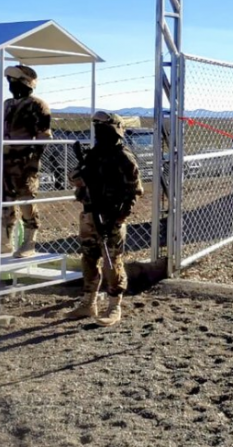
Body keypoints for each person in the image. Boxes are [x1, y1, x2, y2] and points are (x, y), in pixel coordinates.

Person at [65, 112, 144, 327]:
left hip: (111, 217)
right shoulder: (93, 154)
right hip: (89, 214)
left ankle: (114, 306)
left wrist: (119, 217)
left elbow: (134, 191)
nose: (100, 132)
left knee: (112, 261)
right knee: (89, 258)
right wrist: (81, 176)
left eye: (104, 128)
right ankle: (88, 302)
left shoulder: (123, 157)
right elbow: (74, 178)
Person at [0, 65, 52, 258]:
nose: (11, 85)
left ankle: (30, 241)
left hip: (24, 163)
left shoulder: (37, 105)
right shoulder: (6, 105)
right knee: (5, 202)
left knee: (26, 201)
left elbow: (43, 135)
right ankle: (5, 242)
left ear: (26, 83)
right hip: (4, 162)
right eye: (10, 81)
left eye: (15, 81)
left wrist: (33, 160)